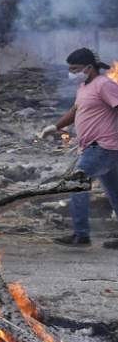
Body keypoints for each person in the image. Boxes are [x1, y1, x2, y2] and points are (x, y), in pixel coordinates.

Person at [39, 48, 118, 249]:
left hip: (102, 147)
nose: (71, 72)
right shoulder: (84, 86)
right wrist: (55, 127)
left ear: (89, 67)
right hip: (100, 148)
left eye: (75, 68)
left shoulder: (104, 85)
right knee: (115, 192)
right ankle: (81, 234)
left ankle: (81, 235)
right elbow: (75, 110)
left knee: (76, 184)